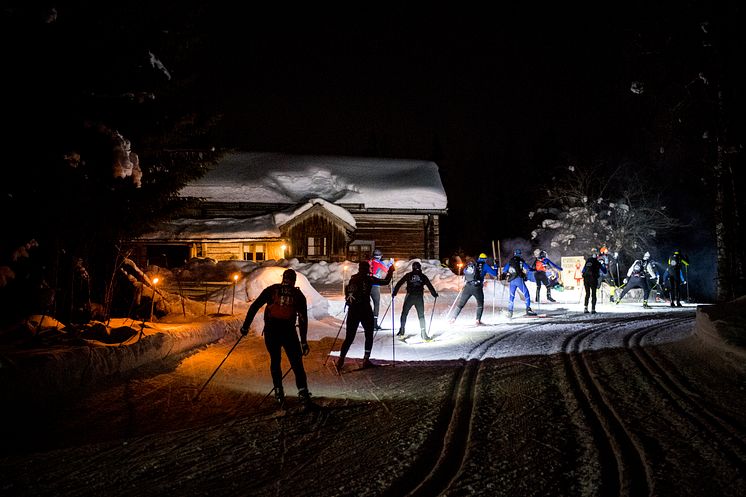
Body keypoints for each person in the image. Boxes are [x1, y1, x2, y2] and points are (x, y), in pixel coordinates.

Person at [240, 269, 317, 410]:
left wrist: (245, 327)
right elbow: (303, 319)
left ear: (283, 279)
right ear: (294, 281)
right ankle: (303, 393)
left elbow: (254, 306)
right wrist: (304, 341)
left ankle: (278, 391)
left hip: (271, 331)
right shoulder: (298, 295)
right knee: (296, 363)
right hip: (289, 332)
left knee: (275, 360)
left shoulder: (272, 290)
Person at [336, 260, 394, 371]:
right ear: (367, 269)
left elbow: (348, 293)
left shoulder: (353, 279)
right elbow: (385, 281)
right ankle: (366, 359)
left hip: (353, 310)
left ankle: (341, 359)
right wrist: (391, 271)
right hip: (365, 310)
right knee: (369, 334)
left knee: (349, 336)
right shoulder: (369, 279)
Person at [392, 261, 438, 340]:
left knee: (404, 313)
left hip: (410, 297)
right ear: (420, 268)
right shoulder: (423, 276)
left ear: (412, 267)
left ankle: (402, 330)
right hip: (419, 298)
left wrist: (394, 293)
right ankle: (423, 333)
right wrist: (434, 294)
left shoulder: (408, 275)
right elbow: (429, 285)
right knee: (421, 316)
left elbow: (399, 283)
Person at [447, 253, 497, 325]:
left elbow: (464, 271)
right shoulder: (485, 266)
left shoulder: (473, 264)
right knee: (480, 304)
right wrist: (495, 265)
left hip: (467, 286)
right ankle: (477, 320)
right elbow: (495, 274)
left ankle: (453, 319)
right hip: (477, 288)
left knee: (461, 304)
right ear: (485, 259)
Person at [500, 249, 537, 318]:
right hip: (519, 280)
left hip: (512, 281)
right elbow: (528, 268)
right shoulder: (521, 261)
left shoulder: (510, 261)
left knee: (512, 296)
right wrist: (534, 269)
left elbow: (504, 270)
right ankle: (528, 309)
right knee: (526, 294)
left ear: (514, 254)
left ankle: (510, 311)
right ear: (520, 254)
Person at [368, 248, 393, 330]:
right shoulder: (379, 263)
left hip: (367, 284)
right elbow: (386, 269)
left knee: (367, 304)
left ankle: (367, 321)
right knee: (376, 304)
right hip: (375, 284)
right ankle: (374, 324)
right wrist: (390, 264)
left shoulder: (370, 261)